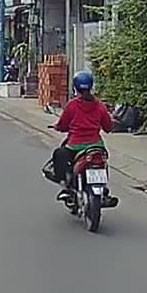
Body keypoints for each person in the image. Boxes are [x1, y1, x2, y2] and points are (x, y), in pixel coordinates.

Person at [50, 70, 114, 202]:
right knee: (102, 162)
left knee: (59, 154)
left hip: (75, 146)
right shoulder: (100, 106)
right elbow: (108, 126)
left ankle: (65, 186)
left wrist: (57, 127)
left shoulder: (72, 105)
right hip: (96, 145)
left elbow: (63, 124)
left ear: (75, 87)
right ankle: (104, 189)